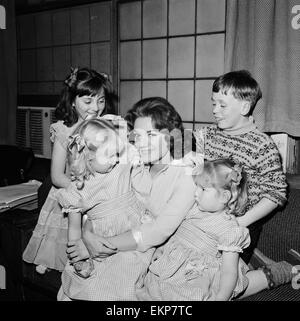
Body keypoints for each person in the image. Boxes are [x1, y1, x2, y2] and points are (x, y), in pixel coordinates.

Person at [60, 97, 197, 300]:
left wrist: (102, 244)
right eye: (138, 136)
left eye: (151, 134)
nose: (142, 144)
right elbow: (98, 201)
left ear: (171, 136)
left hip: (155, 252)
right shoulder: (131, 162)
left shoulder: (187, 173)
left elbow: (158, 231)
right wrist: (88, 235)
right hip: (115, 242)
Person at [138, 159, 295, 301]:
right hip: (174, 268)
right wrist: (162, 248)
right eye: (196, 187)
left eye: (203, 189)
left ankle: (281, 272)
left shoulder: (230, 230)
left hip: (199, 277)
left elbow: (229, 272)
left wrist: (221, 298)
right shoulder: (192, 210)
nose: (195, 193)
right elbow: (177, 235)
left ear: (224, 197)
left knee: (240, 287)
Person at [22, 67, 116, 274]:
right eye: (88, 101)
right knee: (67, 239)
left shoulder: (106, 126)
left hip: (100, 188)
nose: (96, 108)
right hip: (71, 188)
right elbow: (56, 176)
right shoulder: (64, 130)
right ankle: (60, 260)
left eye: (100, 101)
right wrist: (81, 190)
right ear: (73, 101)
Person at [192, 70, 287, 264]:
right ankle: (255, 259)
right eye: (213, 103)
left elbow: (276, 194)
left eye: (222, 105)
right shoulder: (209, 134)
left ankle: (271, 272)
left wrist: (241, 222)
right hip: (204, 213)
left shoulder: (263, 145)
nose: (215, 110)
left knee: (212, 275)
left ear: (244, 107)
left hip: (241, 221)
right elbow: (175, 141)